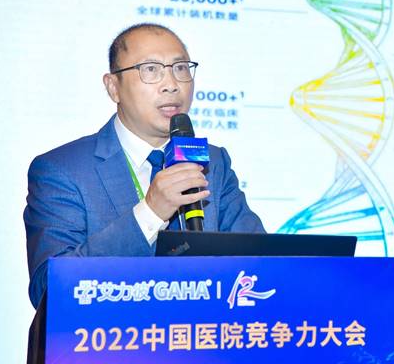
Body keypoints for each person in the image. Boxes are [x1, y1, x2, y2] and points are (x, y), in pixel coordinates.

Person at [23, 23, 264, 308]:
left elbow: (262, 265)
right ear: (113, 87)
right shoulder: (62, 170)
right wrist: (150, 213)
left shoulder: (214, 162)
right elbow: (48, 289)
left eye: (180, 68)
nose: (171, 84)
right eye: (151, 70)